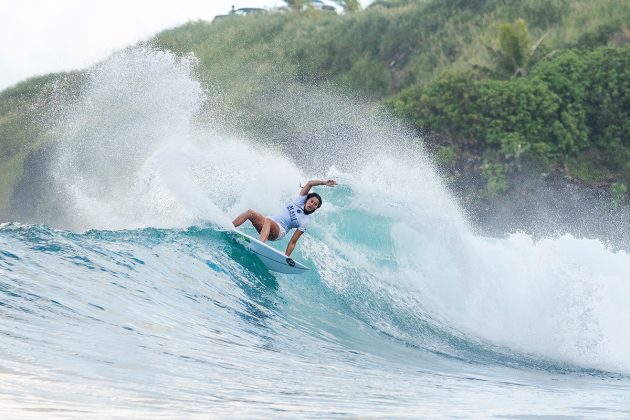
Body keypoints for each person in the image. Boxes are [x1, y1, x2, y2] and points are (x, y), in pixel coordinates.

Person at [232, 179, 336, 256]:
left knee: (268, 220)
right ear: (306, 200)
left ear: (316, 208)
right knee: (250, 212)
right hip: (267, 226)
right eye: (311, 201)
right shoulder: (299, 200)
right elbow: (309, 183)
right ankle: (229, 226)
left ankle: (260, 246)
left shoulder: (305, 221)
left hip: (278, 232)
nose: (312, 204)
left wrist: (286, 257)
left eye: (315, 204)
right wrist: (324, 183)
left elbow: (293, 242)